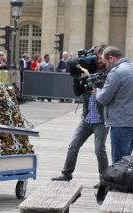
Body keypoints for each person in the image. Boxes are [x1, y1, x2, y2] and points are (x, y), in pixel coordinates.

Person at [52, 44, 109, 189]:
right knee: (73, 145)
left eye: (99, 55)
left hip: (101, 120)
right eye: (96, 55)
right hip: (87, 117)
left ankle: (105, 180)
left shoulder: (109, 71)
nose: (97, 58)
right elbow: (77, 92)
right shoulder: (88, 69)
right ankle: (66, 174)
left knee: (99, 150)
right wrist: (78, 77)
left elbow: (105, 90)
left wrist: (89, 77)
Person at [96, 46, 133, 163]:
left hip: (121, 122)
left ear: (111, 58)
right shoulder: (130, 68)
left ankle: (118, 182)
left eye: (105, 61)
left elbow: (103, 98)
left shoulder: (116, 72)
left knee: (119, 162)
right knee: (128, 162)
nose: (105, 65)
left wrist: (97, 92)